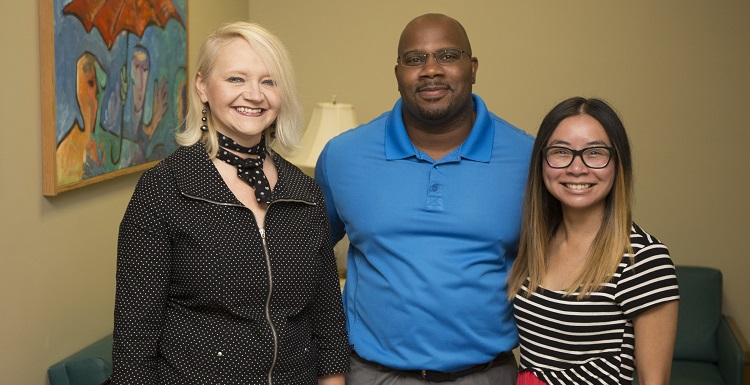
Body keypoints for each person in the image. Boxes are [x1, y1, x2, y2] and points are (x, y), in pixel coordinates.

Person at [112, 21, 350, 385]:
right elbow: (134, 343)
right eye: (236, 79)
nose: (254, 95)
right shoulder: (166, 188)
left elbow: (328, 321)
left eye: (268, 81)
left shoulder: (304, 191)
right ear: (202, 86)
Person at [315, 13, 534, 385]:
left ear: (473, 67)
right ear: (398, 72)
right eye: (415, 59)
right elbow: (307, 259)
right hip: (372, 374)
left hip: (487, 374)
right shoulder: (343, 156)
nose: (431, 70)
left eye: (448, 55)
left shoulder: (527, 158)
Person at [507, 97, 680, 385]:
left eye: (595, 153)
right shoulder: (536, 242)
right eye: (561, 152)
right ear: (542, 161)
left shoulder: (644, 259)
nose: (577, 168)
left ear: (617, 163)